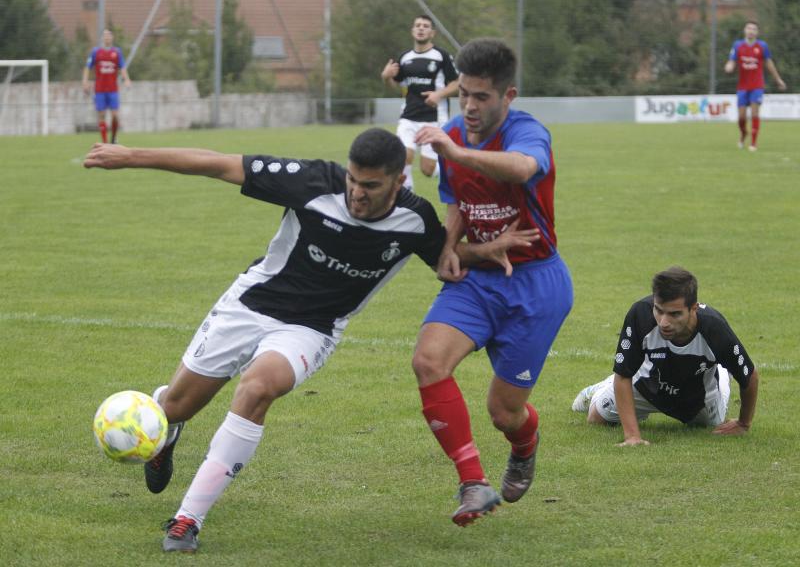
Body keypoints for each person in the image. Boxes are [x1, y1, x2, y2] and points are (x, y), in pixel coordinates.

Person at [83, 128, 538, 553]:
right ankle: (167, 430)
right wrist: (130, 156)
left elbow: (446, 260)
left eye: (372, 186)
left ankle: (188, 519)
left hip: (311, 328)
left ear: (399, 180)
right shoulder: (312, 182)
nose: (358, 193)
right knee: (177, 406)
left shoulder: (414, 219)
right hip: (249, 305)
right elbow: (217, 164)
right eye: (354, 181)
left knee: (258, 387)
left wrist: (481, 251)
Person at [410, 38, 573, 526]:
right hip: (479, 281)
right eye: (465, 95)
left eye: (482, 97)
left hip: (536, 284)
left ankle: (525, 443)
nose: (471, 106)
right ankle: (473, 482)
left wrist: (456, 150)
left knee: (504, 413)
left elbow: (523, 167)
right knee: (427, 361)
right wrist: (449, 250)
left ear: (509, 95)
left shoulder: (527, 132)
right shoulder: (456, 134)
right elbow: (455, 201)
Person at [571, 267, 759, 446]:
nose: (664, 322)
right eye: (659, 310)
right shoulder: (640, 314)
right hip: (647, 385)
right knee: (596, 418)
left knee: (710, 425)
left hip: (698, 398)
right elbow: (624, 374)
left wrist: (743, 423)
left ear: (693, 308)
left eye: (674, 314)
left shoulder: (714, 328)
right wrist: (633, 437)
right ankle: (598, 389)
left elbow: (749, 376)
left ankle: (721, 375)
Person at [381, 15, 459, 190]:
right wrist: (386, 78)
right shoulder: (404, 57)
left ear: (432, 33)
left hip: (434, 118)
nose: (421, 28)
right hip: (408, 116)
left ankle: (458, 174)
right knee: (403, 157)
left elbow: (457, 84)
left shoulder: (441, 56)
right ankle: (408, 198)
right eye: (418, 25)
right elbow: (397, 87)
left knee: (427, 169)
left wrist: (439, 95)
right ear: (412, 31)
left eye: (425, 26)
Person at [724, 20, 786, 151]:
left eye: (754, 29)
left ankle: (753, 143)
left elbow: (769, 63)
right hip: (742, 86)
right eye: (749, 28)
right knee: (741, 117)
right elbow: (732, 61)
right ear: (745, 30)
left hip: (757, 85)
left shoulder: (762, 46)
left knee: (754, 113)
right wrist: (729, 66)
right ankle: (743, 133)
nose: (751, 31)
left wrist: (778, 79)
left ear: (757, 32)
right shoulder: (737, 45)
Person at [82, 28, 131, 144]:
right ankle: (104, 142)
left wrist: (127, 80)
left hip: (113, 89)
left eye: (109, 35)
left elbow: (122, 67)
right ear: (102, 38)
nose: (107, 37)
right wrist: (85, 82)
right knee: (102, 115)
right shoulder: (96, 52)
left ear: (112, 37)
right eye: (105, 35)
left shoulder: (117, 52)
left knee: (115, 115)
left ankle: (113, 139)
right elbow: (87, 67)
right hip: (99, 90)